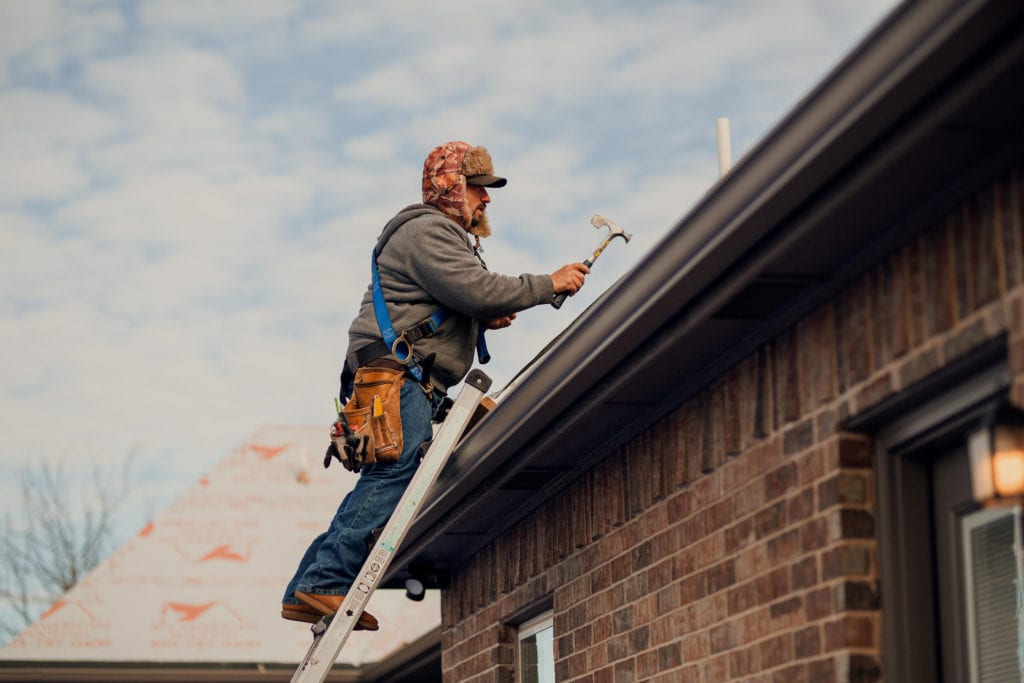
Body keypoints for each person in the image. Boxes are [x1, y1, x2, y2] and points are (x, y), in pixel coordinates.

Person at [281, 141, 589, 630]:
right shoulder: (428, 231)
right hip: (400, 377)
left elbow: (453, 301)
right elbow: (476, 289)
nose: (486, 200)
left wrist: (481, 322)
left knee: (385, 477)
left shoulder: (435, 236)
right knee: (393, 476)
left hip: (402, 376)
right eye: (478, 188)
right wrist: (548, 283)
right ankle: (324, 583)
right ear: (450, 186)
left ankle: (307, 588)